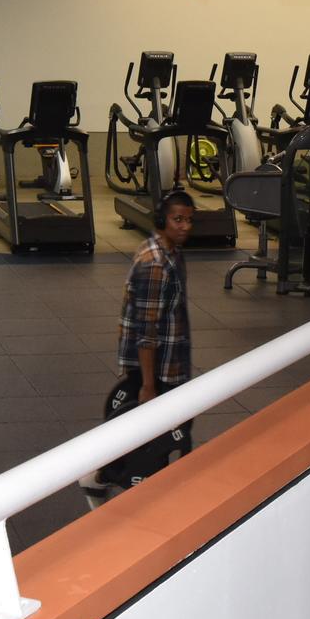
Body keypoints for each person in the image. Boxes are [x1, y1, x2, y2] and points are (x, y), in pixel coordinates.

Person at [94, 189, 195, 488]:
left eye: (189, 220)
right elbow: (146, 332)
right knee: (159, 434)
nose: (185, 227)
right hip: (157, 367)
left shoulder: (170, 252)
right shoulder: (155, 263)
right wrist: (149, 386)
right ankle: (106, 477)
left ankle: (120, 477)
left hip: (170, 360)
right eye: (178, 220)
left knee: (166, 431)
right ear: (161, 220)